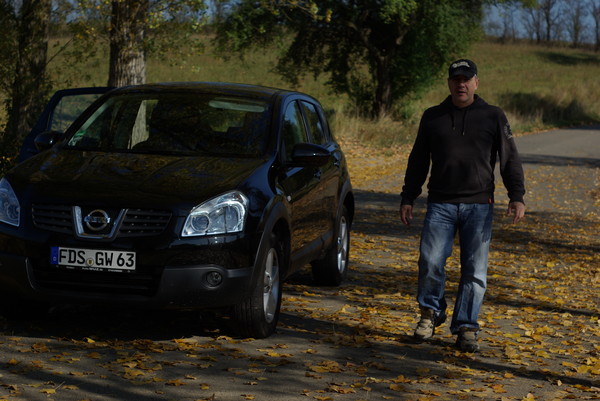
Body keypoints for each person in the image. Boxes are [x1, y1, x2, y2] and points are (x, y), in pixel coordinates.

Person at [399, 59, 526, 353]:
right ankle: (430, 314)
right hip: (440, 204)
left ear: (476, 82)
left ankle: (467, 327)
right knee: (430, 262)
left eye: (466, 79)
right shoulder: (432, 117)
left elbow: (510, 159)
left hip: (479, 206)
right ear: (449, 83)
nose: (461, 84)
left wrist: (516, 195)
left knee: (475, 271)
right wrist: (408, 196)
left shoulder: (493, 116)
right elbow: (418, 160)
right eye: (456, 79)